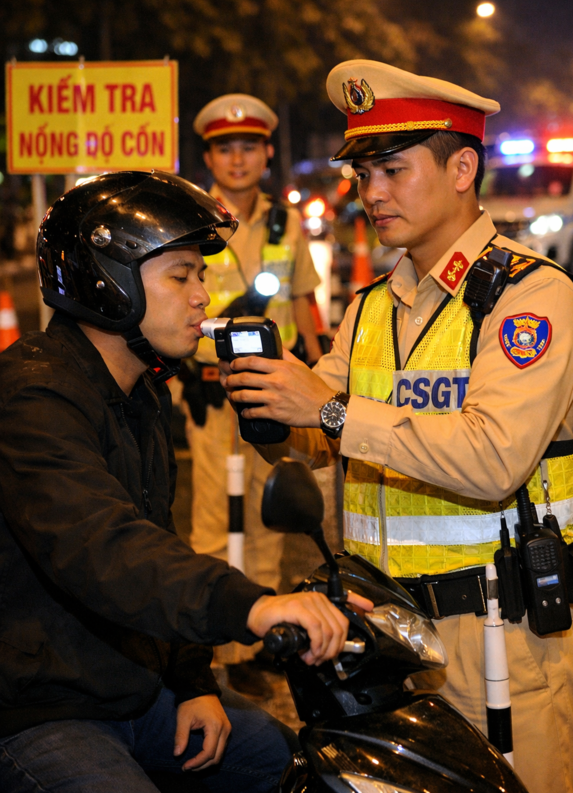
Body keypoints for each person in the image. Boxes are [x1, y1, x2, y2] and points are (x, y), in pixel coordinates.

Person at [220, 61, 573, 793]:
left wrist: (327, 409)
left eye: (391, 168)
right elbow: (320, 430)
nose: (372, 193)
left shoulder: (530, 299)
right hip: (384, 644)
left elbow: (493, 458)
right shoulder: (370, 309)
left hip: (499, 639)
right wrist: (268, 399)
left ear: (462, 167)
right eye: (363, 175)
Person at [0, 170, 370, 793]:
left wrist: (193, 681)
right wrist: (253, 604)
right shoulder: (32, 395)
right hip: (39, 709)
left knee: (299, 771)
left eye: (201, 275)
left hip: (135, 689)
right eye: (182, 276)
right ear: (108, 283)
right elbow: (107, 548)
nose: (203, 296)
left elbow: (159, 536)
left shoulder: (140, 391)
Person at [179, 94, 322, 696]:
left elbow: (303, 304)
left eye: (248, 147)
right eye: (223, 148)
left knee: (267, 519)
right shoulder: (188, 218)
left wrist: (319, 372)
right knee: (214, 517)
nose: (236, 159)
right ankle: (215, 649)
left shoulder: (285, 223)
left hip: (273, 394)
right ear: (209, 156)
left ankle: (258, 637)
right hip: (212, 392)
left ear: (266, 153)